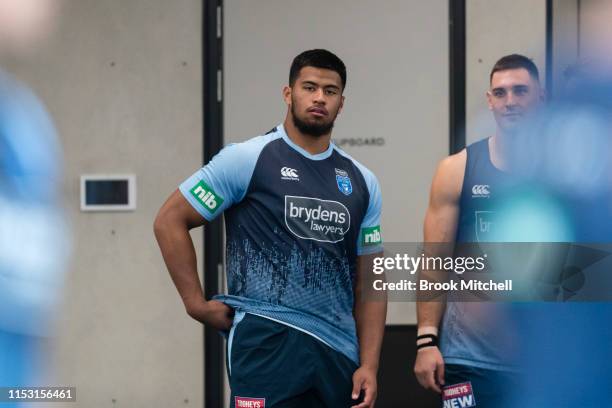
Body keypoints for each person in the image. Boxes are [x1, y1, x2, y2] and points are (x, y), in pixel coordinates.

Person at [154, 49, 386, 408]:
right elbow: (170, 220)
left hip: (338, 351)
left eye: (330, 90)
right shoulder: (247, 158)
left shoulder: (362, 181)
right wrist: (195, 304)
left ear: (342, 103)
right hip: (265, 340)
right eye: (309, 87)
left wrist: (369, 364)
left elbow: (371, 280)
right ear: (288, 93)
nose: (319, 97)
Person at [414, 54, 545, 407]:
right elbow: (433, 261)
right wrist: (426, 341)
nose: (511, 101)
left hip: (543, 361)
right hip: (469, 358)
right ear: (489, 100)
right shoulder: (457, 169)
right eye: (500, 93)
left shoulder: (565, 175)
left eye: (520, 91)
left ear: (541, 97)